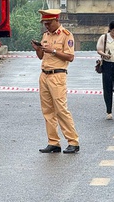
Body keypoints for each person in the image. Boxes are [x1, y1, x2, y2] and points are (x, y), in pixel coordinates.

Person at [31, 9, 80, 154]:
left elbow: (70, 57)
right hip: (44, 75)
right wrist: (38, 49)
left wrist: (53, 51)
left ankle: (73, 141)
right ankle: (53, 142)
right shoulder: (45, 35)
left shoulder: (66, 35)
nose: (46, 26)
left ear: (56, 21)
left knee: (61, 109)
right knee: (47, 111)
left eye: (49, 23)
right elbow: (41, 56)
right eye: (45, 23)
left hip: (57, 75)